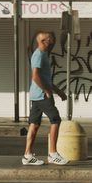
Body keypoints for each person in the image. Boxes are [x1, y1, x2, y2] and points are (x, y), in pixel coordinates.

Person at [23, 31, 69, 166]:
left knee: (34, 124)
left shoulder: (42, 55)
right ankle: (53, 153)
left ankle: (27, 155)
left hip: (36, 95)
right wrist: (47, 91)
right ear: (43, 41)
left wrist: (58, 91)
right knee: (55, 120)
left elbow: (44, 77)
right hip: (42, 95)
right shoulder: (38, 55)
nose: (52, 40)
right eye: (50, 39)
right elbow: (35, 76)